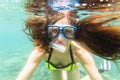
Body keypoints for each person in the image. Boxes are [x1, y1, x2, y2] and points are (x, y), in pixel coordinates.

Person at [16, 0, 120, 80]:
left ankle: (100, 69)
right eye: (54, 31)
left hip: (71, 66)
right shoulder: (41, 51)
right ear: (47, 32)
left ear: (75, 34)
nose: (60, 38)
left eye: (67, 32)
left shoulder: (80, 54)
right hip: (53, 67)